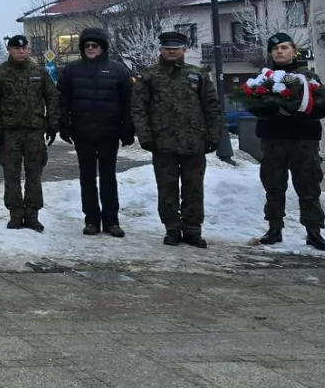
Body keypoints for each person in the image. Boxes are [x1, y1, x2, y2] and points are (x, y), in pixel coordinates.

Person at [132, 31, 222, 248]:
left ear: (184, 50)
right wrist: (145, 137)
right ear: (161, 49)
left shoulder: (198, 74)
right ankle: (172, 228)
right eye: (167, 48)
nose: (171, 51)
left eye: (176, 48)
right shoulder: (149, 75)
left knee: (194, 187)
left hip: (194, 142)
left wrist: (214, 135)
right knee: (167, 188)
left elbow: (212, 107)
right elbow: (138, 108)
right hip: (163, 143)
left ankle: (193, 229)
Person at [250, 32, 325, 251]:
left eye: (284, 47)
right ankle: (274, 229)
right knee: (273, 184)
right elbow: (253, 105)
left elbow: (322, 107)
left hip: (303, 139)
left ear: (294, 50)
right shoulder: (263, 78)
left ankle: (313, 232)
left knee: (308, 185)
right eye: (275, 48)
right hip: (273, 138)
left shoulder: (308, 77)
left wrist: (298, 112)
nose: (279, 51)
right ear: (270, 53)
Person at [57, 28, 134, 237]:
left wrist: (128, 129)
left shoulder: (118, 70)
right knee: (87, 178)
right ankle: (91, 220)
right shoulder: (71, 70)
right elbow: (62, 101)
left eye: (95, 45)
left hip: (109, 132)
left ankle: (112, 221)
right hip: (83, 132)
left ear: (102, 47)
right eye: (87, 45)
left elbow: (128, 102)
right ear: (82, 48)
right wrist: (63, 125)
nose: (91, 49)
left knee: (109, 177)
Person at [0, 35, 59, 232]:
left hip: (34, 132)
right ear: (9, 49)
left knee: (34, 175)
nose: (21, 51)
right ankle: (15, 214)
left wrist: (52, 124)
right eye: (17, 48)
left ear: (29, 50)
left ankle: (32, 214)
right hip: (10, 133)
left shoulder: (39, 72)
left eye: (24, 48)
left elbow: (52, 97)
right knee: (11, 175)